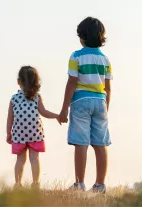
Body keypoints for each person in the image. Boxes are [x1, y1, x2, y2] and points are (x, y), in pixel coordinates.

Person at [58, 17, 113, 193]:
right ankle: (100, 185)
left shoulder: (76, 57)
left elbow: (72, 83)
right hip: (100, 101)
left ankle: (79, 183)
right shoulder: (105, 60)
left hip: (81, 101)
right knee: (100, 143)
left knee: (80, 142)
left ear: (81, 37)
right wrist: (106, 107)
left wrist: (64, 109)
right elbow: (108, 88)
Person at [6, 66, 59, 188]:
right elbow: (44, 112)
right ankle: (35, 183)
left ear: (18, 82)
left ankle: (18, 184)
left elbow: (10, 118)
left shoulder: (14, 98)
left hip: (19, 133)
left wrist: (8, 133)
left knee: (20, 160)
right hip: (34, 132)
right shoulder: (37, 97)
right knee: (34, 159)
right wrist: (56, 116)